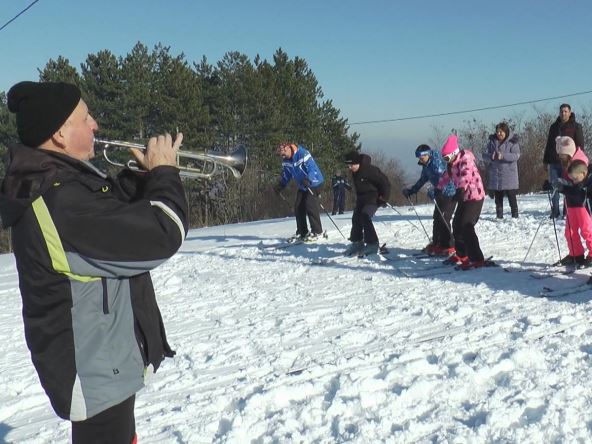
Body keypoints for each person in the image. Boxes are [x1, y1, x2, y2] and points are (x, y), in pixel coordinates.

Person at [0, 81, 188, 444]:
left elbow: (111, 217)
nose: (95, 124)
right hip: (93, 370)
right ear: (59, 134)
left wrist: (141, 178)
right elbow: (164, 232)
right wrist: (165, 174)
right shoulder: (60, 202)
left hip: (104, 362)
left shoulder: (64, 184)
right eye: (86, 118)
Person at [439, 134, 490, 270]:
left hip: (474, 196)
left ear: (454, 153)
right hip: (464, 197)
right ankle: (462, 254)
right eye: (444, 158)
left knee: (466, 226)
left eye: (447, 157)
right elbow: (445, 177)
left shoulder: (465, 159)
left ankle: (477, 258)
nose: (446, 160)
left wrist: (460, 189)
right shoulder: (452, 164)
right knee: (456, 225)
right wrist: (437, 188)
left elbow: (465, 175)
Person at [402, 144, 457, 256]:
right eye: (419, 158)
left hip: (450, 193)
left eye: (422, 157)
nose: (420, 160)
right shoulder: (426, 165)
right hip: (440, 192)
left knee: (444, 218)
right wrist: (412, 190)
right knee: (437, 218)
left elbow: (445, 178)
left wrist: (434, 190)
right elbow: (423, 179)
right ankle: (437, 243)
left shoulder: (436, 163)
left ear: (428, 155)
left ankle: (449, 245)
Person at [274, 141, 324, 241]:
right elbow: (287, 174)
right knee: (298, 206)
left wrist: (308, 179)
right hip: (303, 185)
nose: (283, 155)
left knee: (310, 204)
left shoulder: (302, 153)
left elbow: (312, 168)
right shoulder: (286, 161)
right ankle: (302, 232)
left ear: (288, 147)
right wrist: (281, 185)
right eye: (281, 154)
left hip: (315, 182)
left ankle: (317, 231)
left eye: (283, 152)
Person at [343, 151, 391, 256]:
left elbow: (385, 183)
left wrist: (384, 197)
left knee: (365, 216)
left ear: (357, 162)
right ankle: (357, 243)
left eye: (351, 165)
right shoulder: (355, 171)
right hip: (362, 199)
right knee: (356, 218)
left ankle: (372, 244)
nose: (350, 168)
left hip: (374, 198)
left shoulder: (370, 170)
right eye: (348, 166)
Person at [543, 104, 585, 219]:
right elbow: (549, 144)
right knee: (554, 186)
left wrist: (578, 161)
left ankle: (568, 210)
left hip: (569, 163)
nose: (563, 113)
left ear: (570, 112)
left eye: (566, 111)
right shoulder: (554, 127)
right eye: (561, 111)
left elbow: (580, 145)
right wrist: (545, 161)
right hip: (554, 161)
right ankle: (555, 210)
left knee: (568, 186)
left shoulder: (576, 126)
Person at [553, 160, 592, 266]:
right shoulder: (575, 179)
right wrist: (555, 185)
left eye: (575, 179)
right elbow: (567, 185)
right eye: (572, 179)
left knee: (587, 231)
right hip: (571, 207)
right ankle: (576, 254)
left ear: (583, 173)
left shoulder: (588, 182)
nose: (574, 181)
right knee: (570, 231)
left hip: (584, 208)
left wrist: (564, 189)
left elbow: (579, 193)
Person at [483, 122, 521, 219]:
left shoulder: (513, 142)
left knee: (511, 196)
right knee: (498, 197)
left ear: (506, 132)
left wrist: (503, 156)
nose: (499, 134)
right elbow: (484, 155)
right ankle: (499, 215)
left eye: (501, 132)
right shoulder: (492, 142)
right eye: (497, 132)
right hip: (496, 174)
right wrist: (490, 156)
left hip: (509, 174)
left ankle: (515, 215)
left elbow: (516, 155)